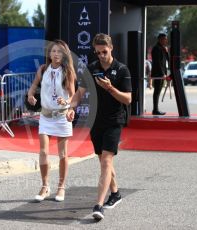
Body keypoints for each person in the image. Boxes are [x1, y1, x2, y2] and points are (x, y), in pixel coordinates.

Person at [66, 33, 132, 220]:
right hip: (96, 120)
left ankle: (98, 205)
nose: (101, 55)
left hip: (114, 120)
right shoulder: (92, 68)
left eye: (104, 52)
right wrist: (71, 108)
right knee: (103, 160)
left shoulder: (122, 70)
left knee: (106, 161)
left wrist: (110, 88)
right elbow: (80, 93)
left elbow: (128, 99)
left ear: (111, 48)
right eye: (98, 52)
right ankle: (116, 193)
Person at [27, 40, 76, 202]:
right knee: (44, 152)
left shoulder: (67, 72)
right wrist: (30, 95)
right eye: (54, 51)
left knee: (63, 154)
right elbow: (34, 85)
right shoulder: (43, 69)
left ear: (64, 54)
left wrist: (68, 106)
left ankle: (61, 188)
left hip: (61, 117)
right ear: (49, 54)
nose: (56, 54)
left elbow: (73, 96)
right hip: (45, 117)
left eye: (60, 51)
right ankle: (45, 186)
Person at [151, 33, 169, 115]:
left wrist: (166, 52)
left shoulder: (163, 49)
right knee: (157, 91)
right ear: (160, 39)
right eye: (164, 39)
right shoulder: (156, 48)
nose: (165, 40)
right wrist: (162, 74)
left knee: (158, 91)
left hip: (162, 73)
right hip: (158, 73)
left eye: (166, 39)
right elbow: (157, 62)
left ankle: (156, 109)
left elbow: (167, 60)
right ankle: (155, 109)